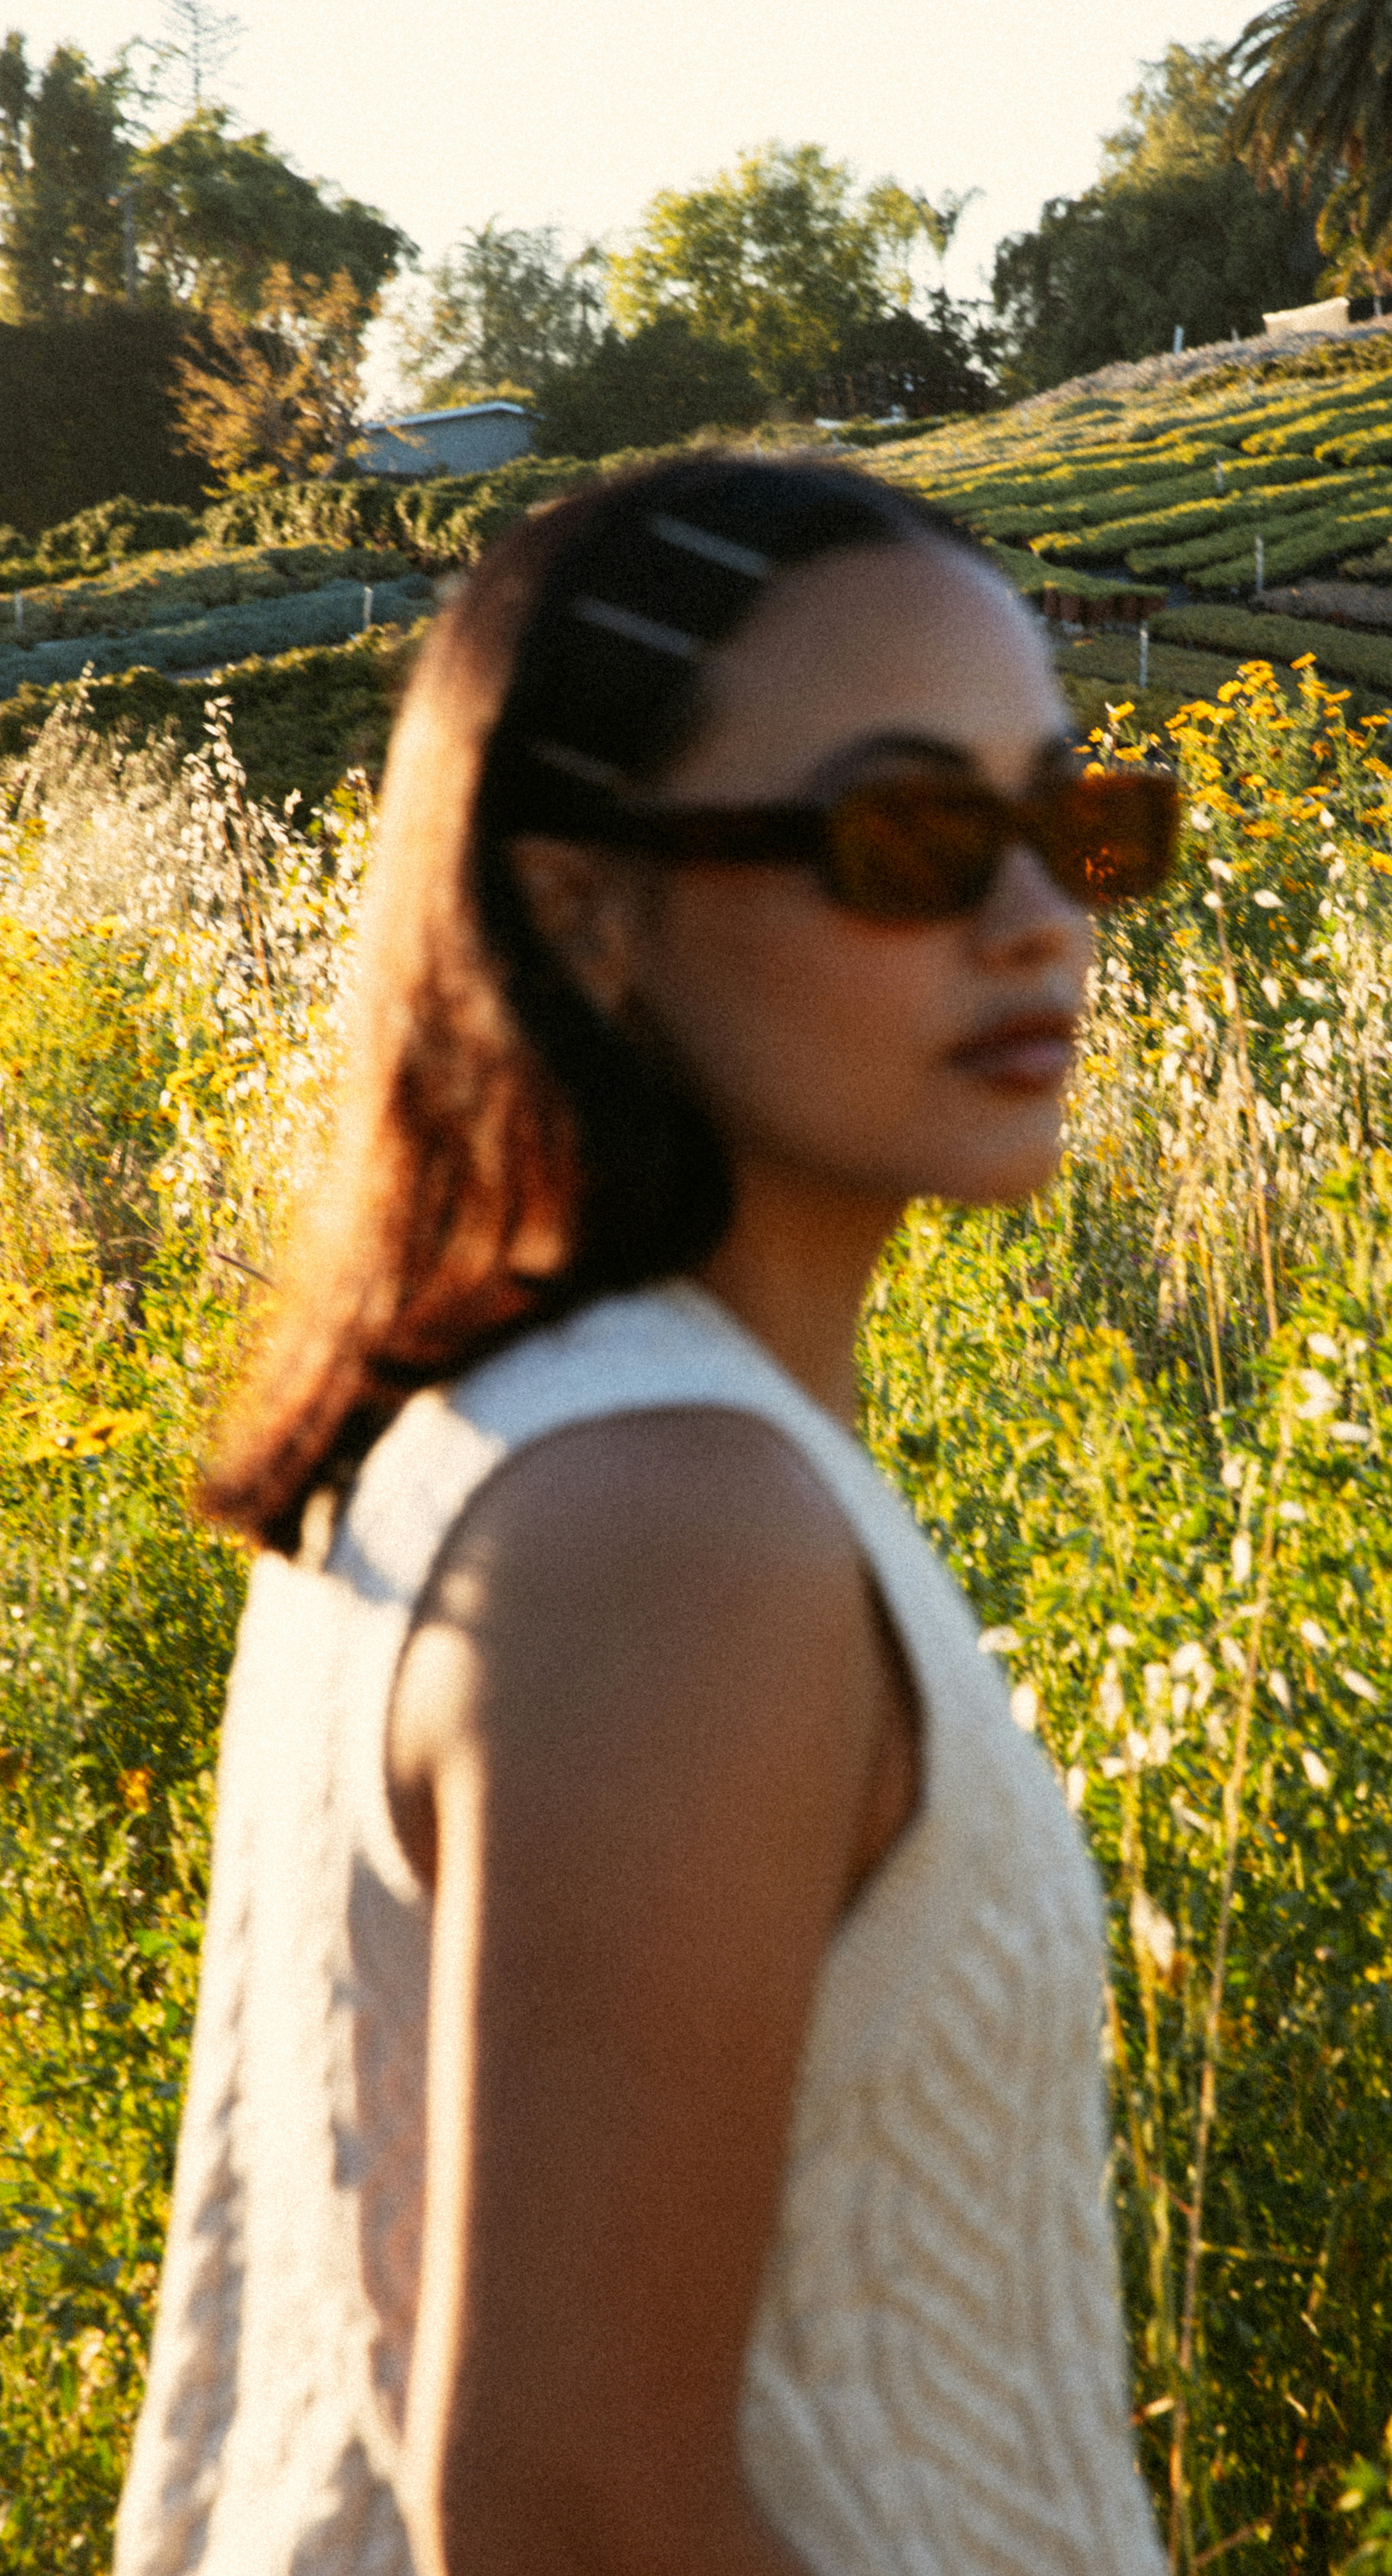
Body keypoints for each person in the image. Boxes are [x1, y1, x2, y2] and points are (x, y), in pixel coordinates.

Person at [114, 452, 1179, 2576]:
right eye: (906, 837)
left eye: (1083, 821)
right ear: (587, 907)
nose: (1038, 917)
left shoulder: (505, 1439)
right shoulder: (667, 1527)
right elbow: (569, 2512)